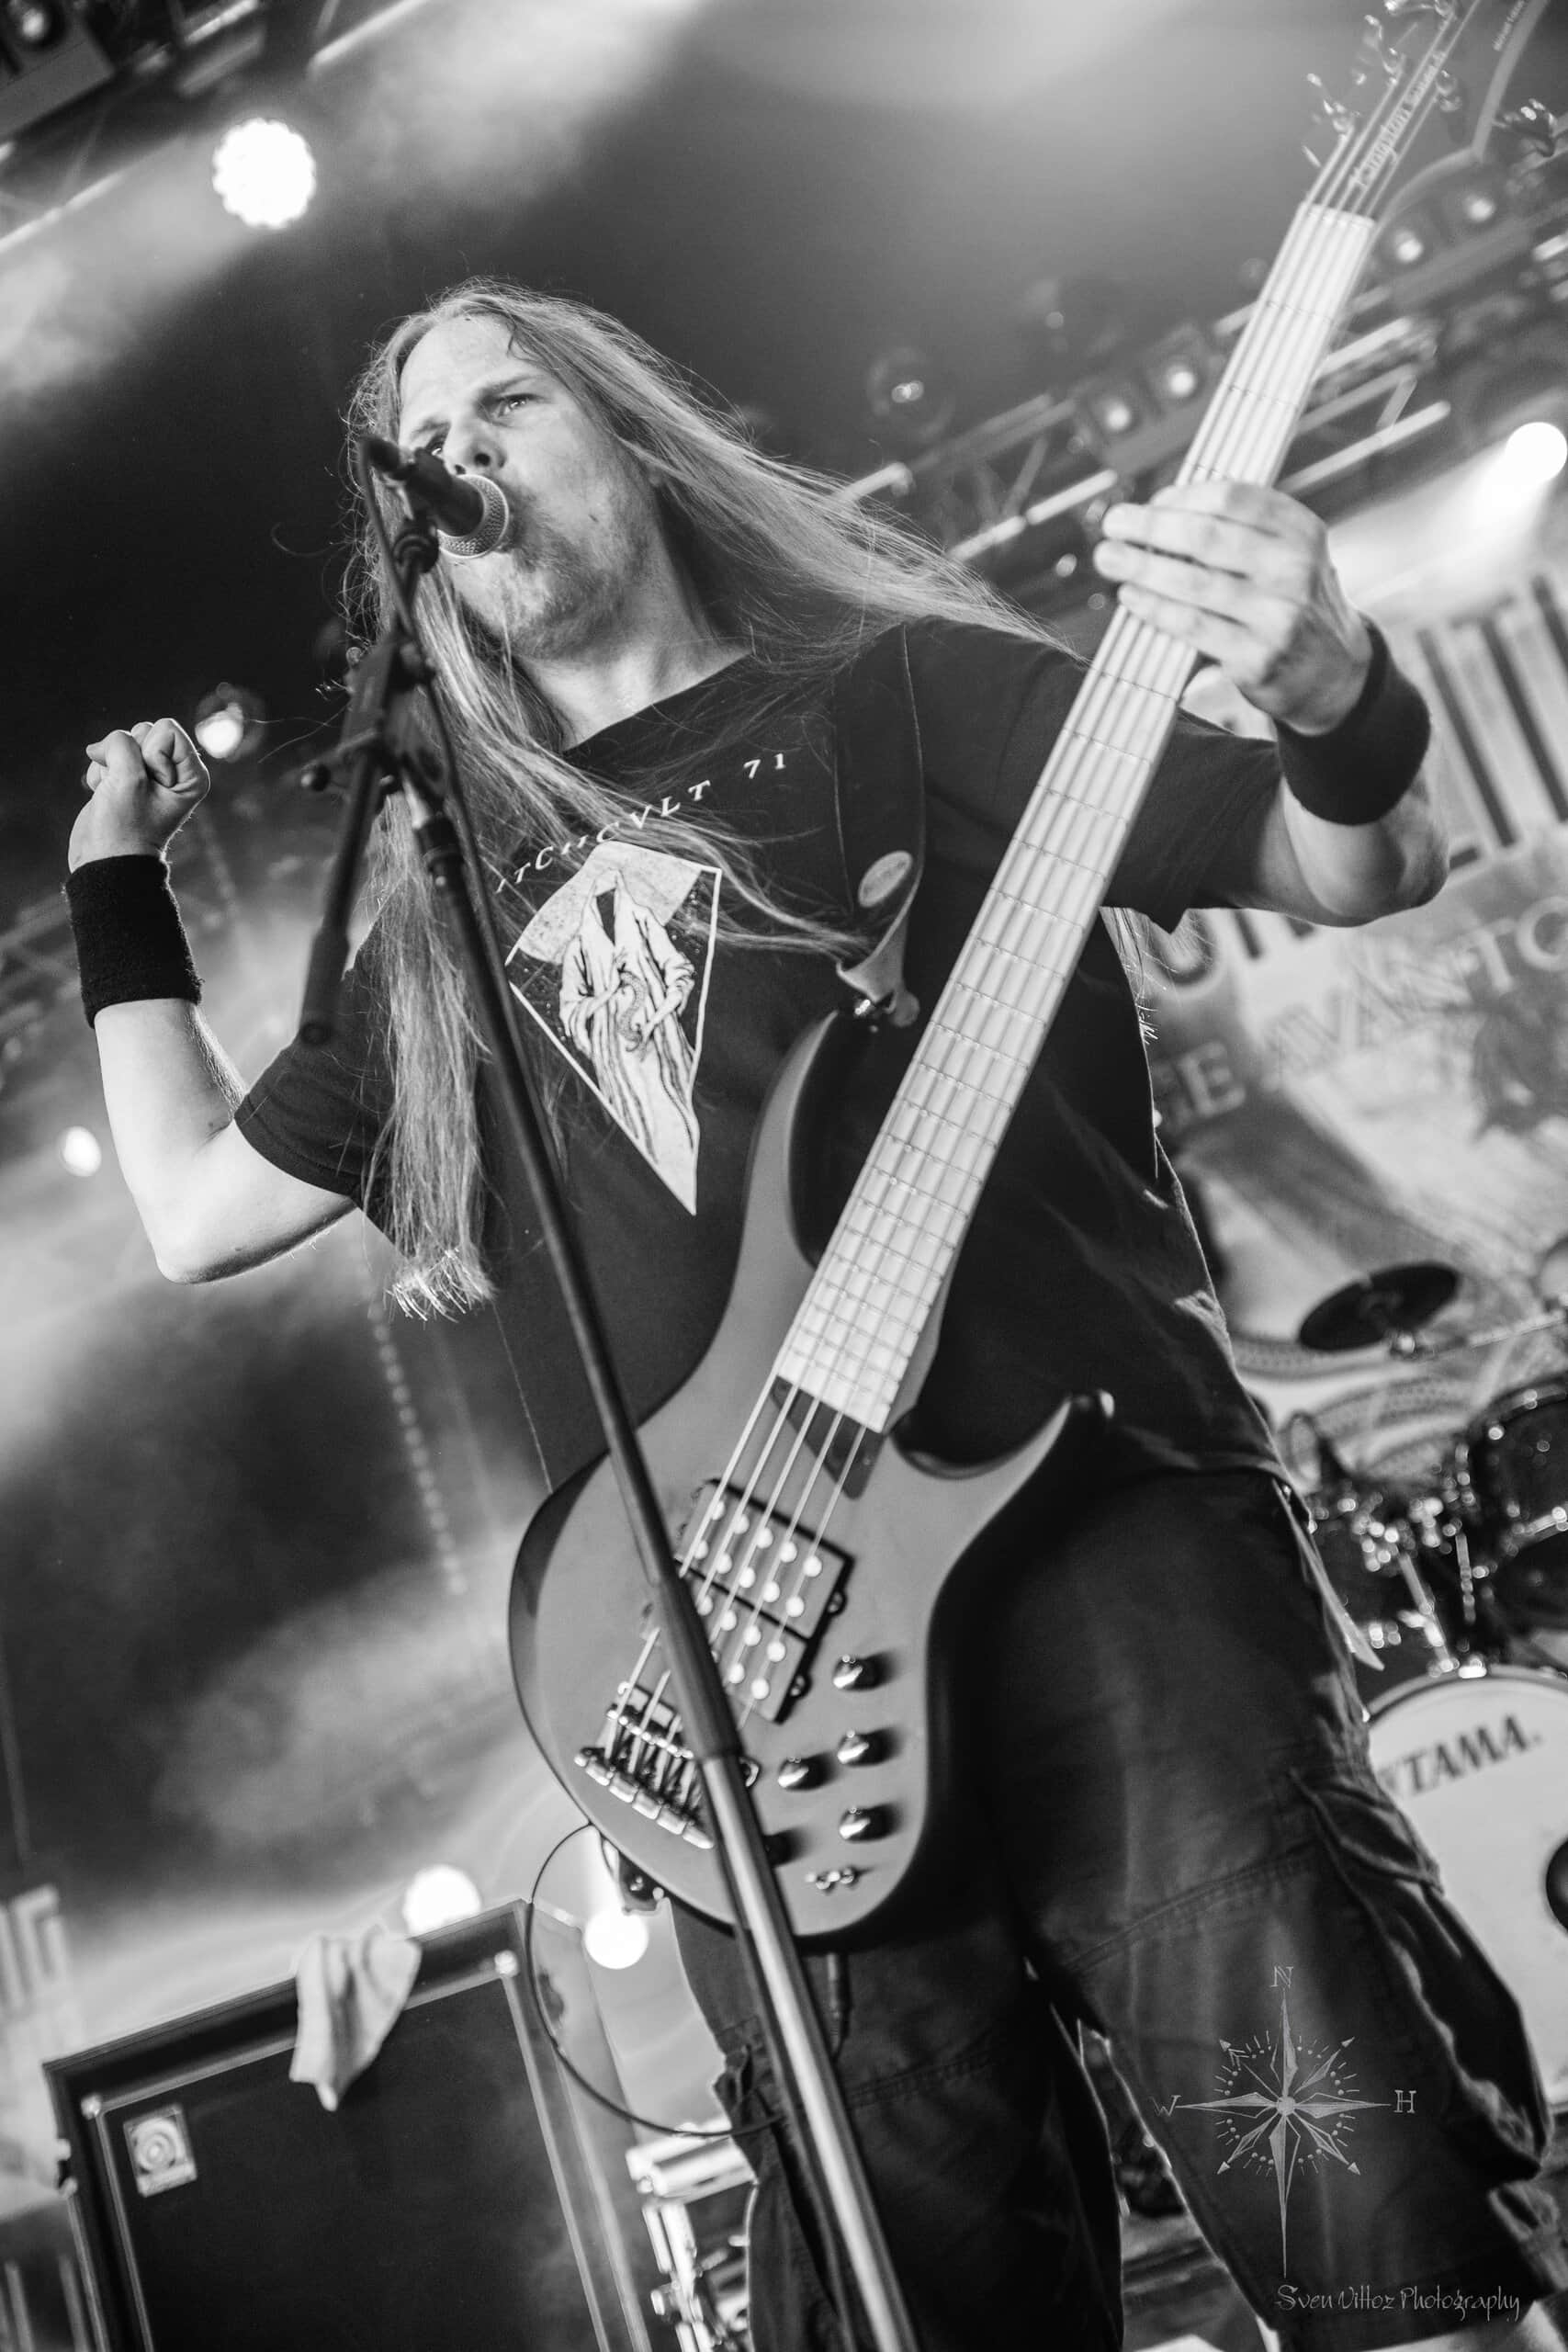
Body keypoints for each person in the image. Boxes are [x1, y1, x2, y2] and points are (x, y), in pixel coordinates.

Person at [66, 279, 1567, 2352]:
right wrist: (113, 871)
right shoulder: (437, 909)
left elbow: (1354, 860)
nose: (462, 451)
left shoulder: (909, 691)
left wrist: (1334, 696)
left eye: (512, 399)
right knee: (921, 2286)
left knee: (1380, 2237)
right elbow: (187, 1211)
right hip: (755, 1674)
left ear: (634, 437)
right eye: (424, 440)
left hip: (1103, 1553)